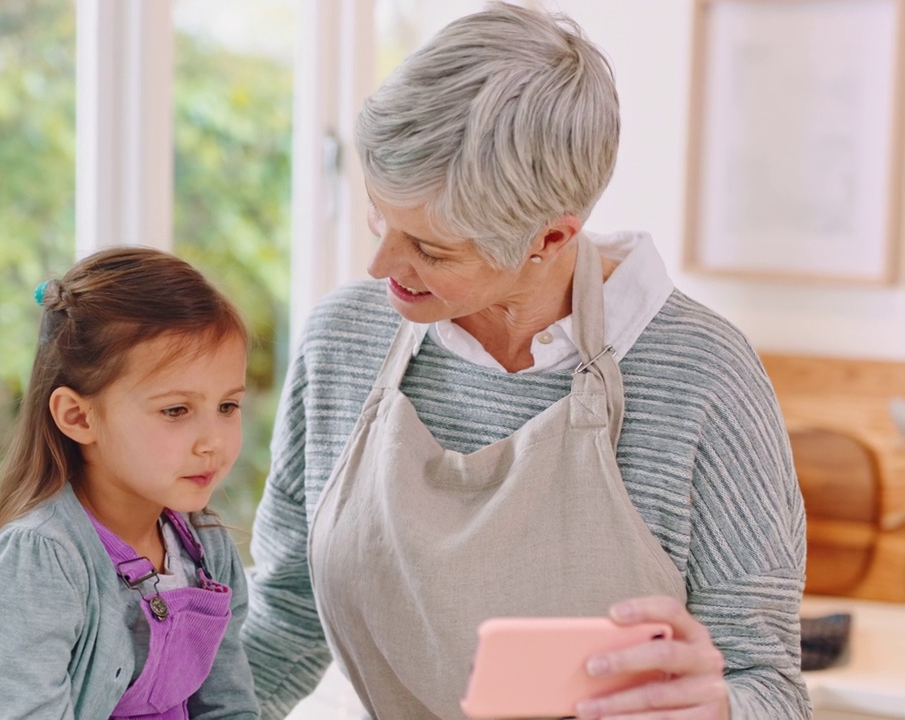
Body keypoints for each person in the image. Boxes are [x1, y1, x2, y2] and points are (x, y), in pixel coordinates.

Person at [241, 3, 808, 720]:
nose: (380, 263)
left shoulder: (702, 377)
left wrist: (721, 710)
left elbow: (770, 686)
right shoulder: (343, 339)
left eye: (431, 249)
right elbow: (284, 619)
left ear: (550, 238)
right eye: (381, 215)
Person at [0, 247, 260, 719]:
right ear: (78, 417)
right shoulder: (41, 561)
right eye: (176, 410)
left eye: (227, 406)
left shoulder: (206, 549)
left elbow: (230, 708)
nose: (213, 442)